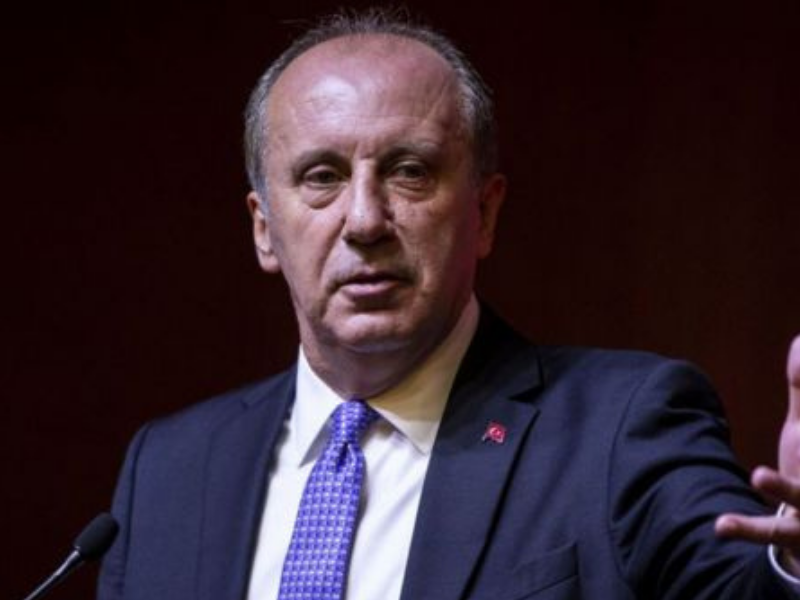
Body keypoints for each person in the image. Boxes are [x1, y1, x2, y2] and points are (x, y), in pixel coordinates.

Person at [97, 9, 800, 600]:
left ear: (484, 213)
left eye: (409, 171)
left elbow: (738, 583)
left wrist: (792, 565)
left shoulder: (621, 427)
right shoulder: (169, 470)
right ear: (263, 228)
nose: (364, 220)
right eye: (322, 176)